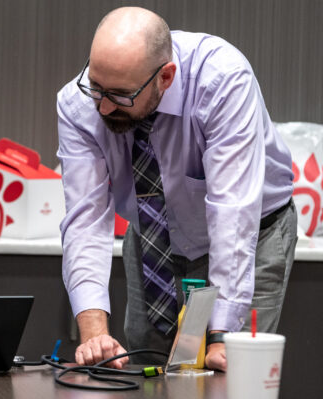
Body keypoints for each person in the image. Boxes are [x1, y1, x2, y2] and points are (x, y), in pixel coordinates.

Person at [57, 7, 297, 372]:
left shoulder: (221, 79)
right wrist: (93, 335)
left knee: (228, 375)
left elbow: (233, 212)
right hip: (154, 239)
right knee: (145, 372)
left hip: (251, 235)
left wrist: (220, 336)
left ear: (165, 77)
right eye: (96, 86)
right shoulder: (77, 104)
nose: (103, 106)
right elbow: (85, 222)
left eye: (120, 95)